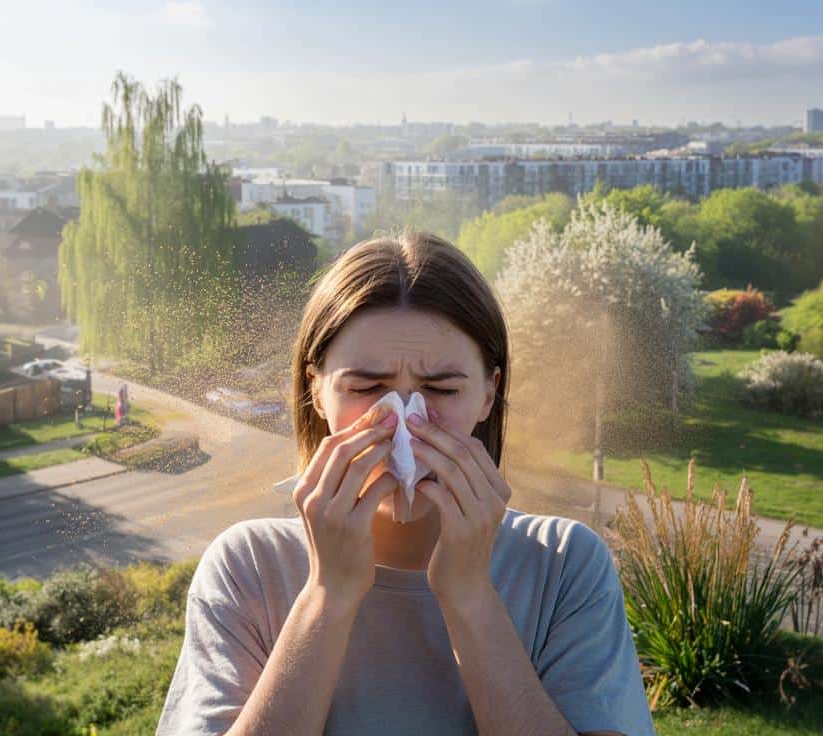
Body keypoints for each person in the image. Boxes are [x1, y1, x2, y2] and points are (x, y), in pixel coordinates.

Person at [156, 232, 653, 736]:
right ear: (316, 391)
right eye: (366, 388)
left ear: (488, 394)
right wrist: (328, 593)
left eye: (441, 389)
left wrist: (470, 594)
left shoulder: (566, 566)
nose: (403, 423)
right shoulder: (248, 567)